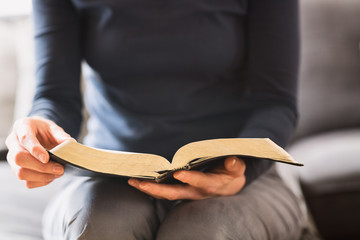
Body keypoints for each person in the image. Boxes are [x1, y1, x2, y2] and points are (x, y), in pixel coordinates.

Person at [6, 0, 304, 239]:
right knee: (100, 228)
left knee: (203, 232)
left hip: (239, 176)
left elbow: (275, 103)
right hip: (111, 172)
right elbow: (56, 96)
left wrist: (243, 169)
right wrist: (38, 128)